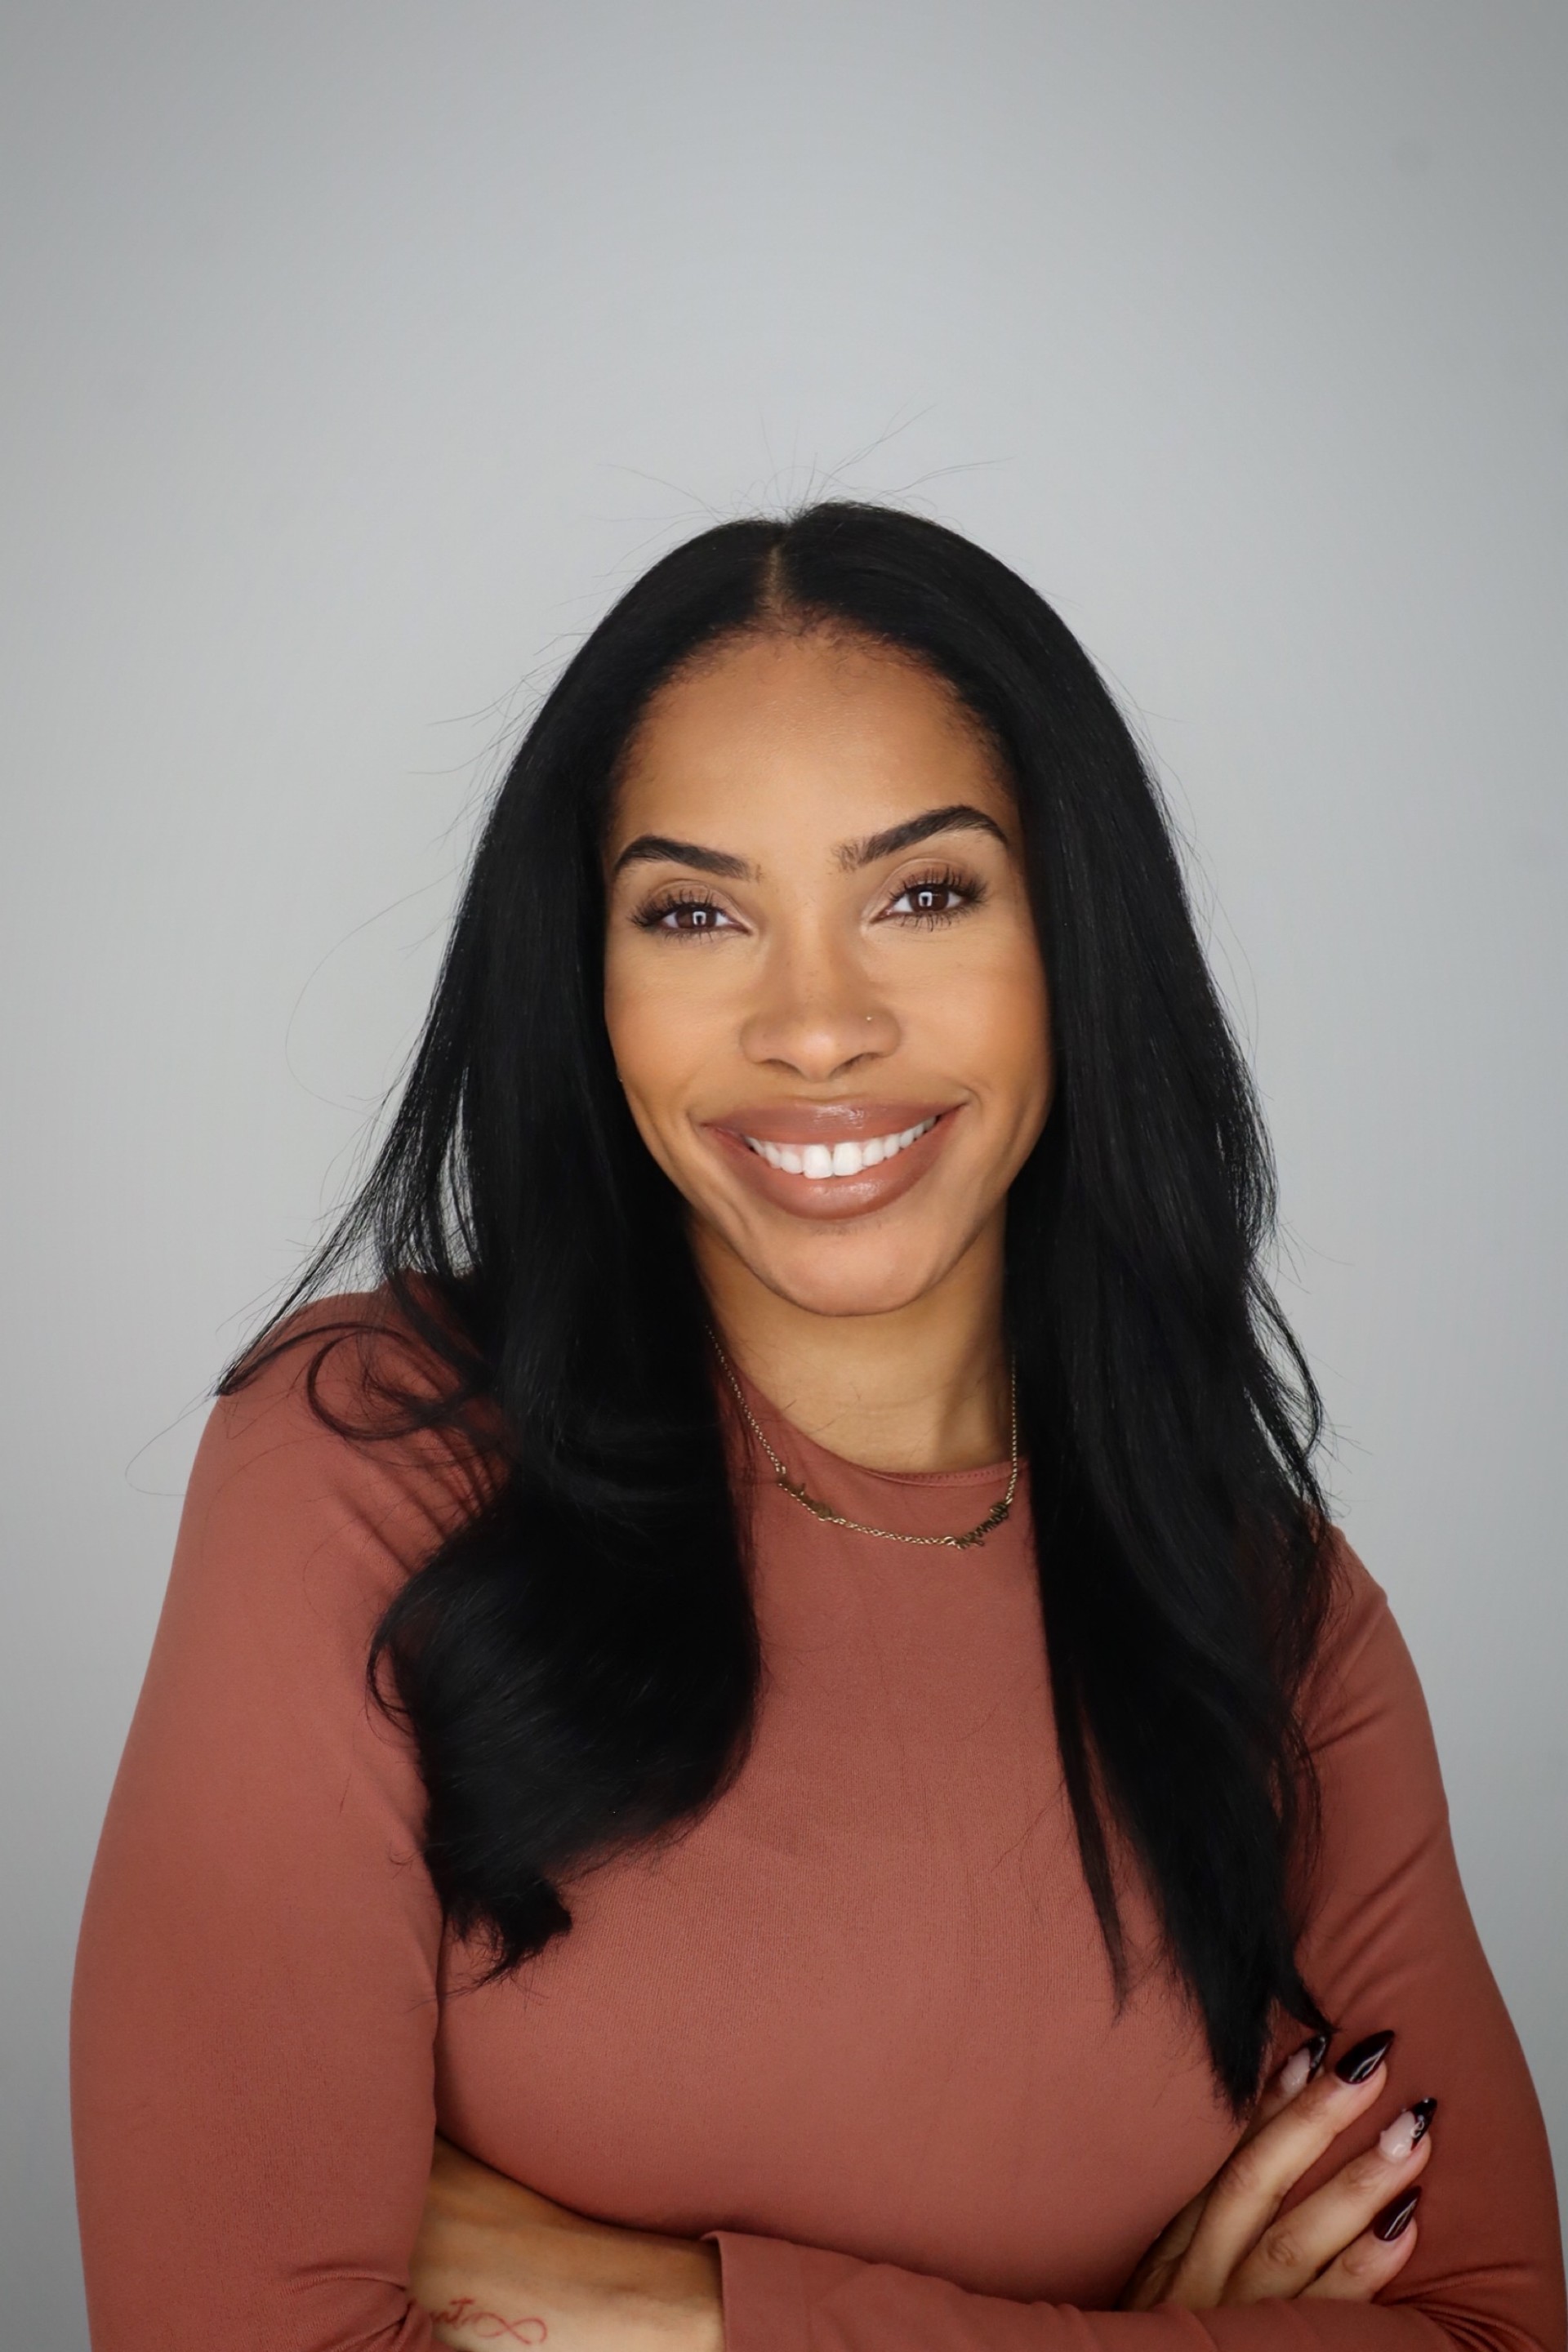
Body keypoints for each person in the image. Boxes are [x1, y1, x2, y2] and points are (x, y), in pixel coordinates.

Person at [71, 503, 1563, 2352]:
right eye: (696, 913)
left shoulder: (1274, 1623)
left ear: (1073, 936)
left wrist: (684, 2317)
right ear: (590, 986)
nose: (817, 1025)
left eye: (924, 893)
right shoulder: (369, 1474)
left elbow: (1495, 2328)